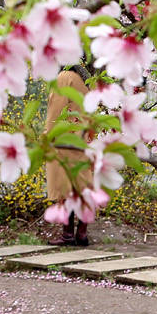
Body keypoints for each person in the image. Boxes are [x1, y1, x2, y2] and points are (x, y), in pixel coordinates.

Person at [44, 64, 91, 245]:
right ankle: (82, 234)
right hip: (84, 139)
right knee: (82, 186)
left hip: (65, 139)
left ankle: (68, 234)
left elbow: (55, 110)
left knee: (64, 186)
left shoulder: (64, 77)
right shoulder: (87, 79)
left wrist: (47, 135)